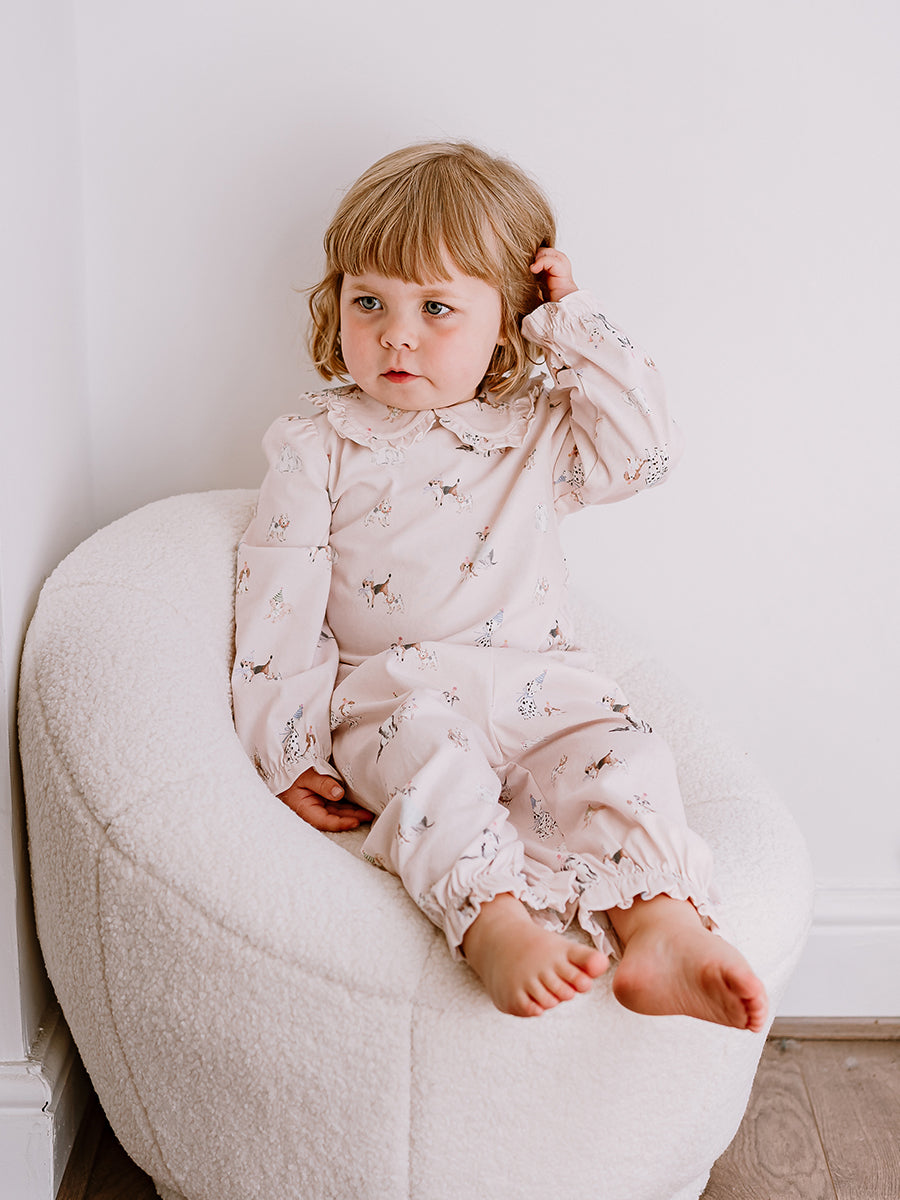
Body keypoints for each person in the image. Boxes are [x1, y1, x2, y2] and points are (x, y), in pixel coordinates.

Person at [232, 140, 768, 1030]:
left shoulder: (540, 432)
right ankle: (493, 924)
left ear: (511, 319)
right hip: (393, 696)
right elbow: (277, 603)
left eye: (436, 307)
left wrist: (572, 321)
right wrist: (286, 748)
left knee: (626, 758)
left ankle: (661, 923)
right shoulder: (317, 444)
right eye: (369, 302)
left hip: (542, 688)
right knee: (430, 769)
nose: (396, 334)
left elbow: (647, 454)